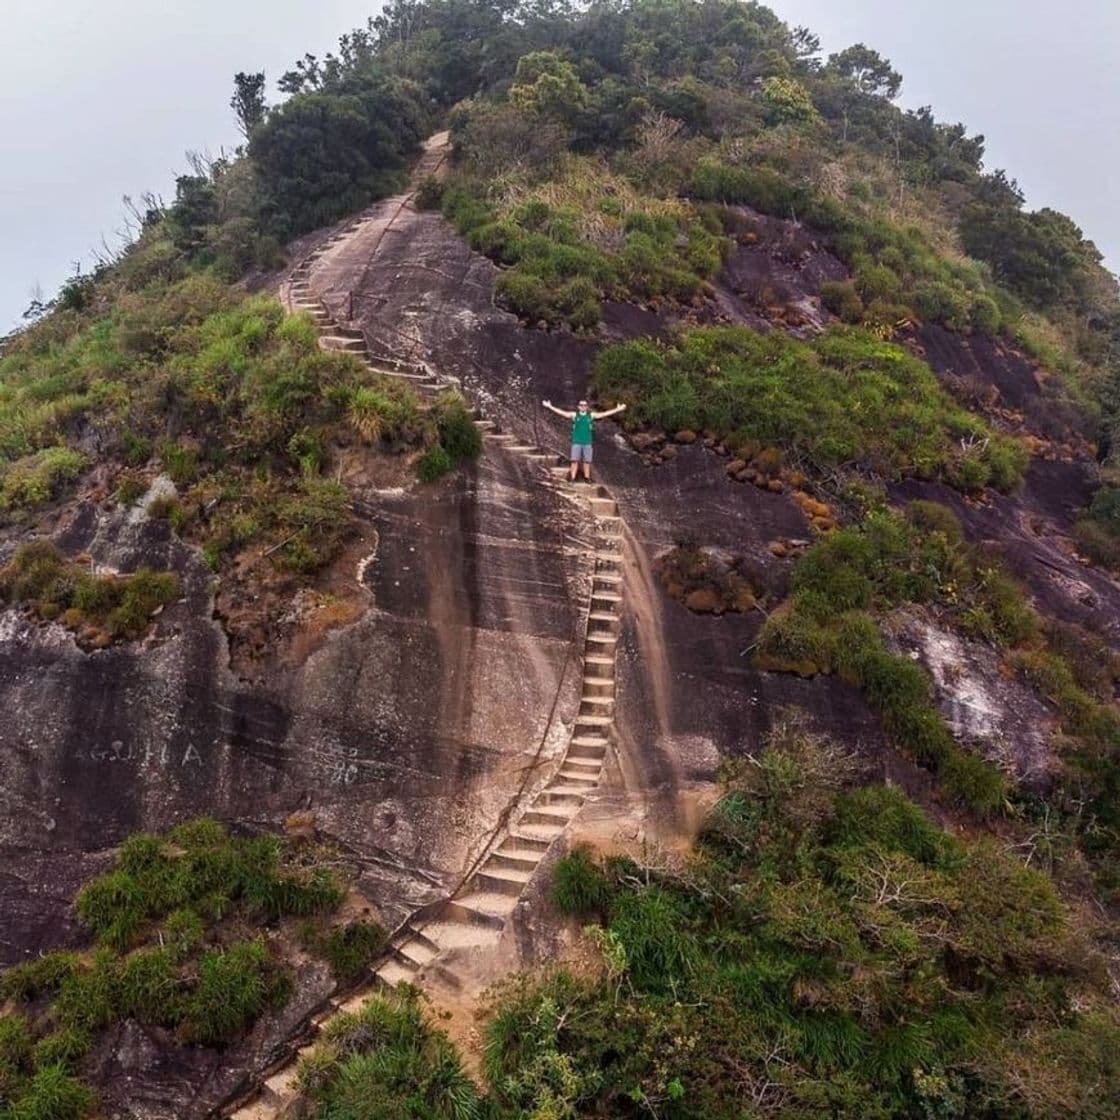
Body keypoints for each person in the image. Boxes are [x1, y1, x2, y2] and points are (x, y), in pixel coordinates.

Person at [542, 397, 627, 482]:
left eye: (584, 405)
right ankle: (572, 478)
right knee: (574, 461)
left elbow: (604, 414)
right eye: (581, 405)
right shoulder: (575, 415)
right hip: (576, 441)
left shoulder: (591, 415)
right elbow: (563, 413)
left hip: (587, 442)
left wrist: (617, 409)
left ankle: (587, 478)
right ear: (578, 407)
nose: (583, 407)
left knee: (587, 461)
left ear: (587, 407)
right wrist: (550, 406)